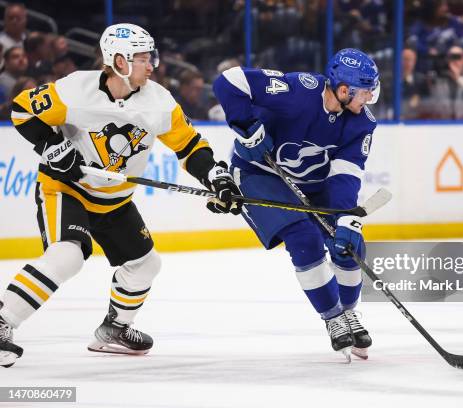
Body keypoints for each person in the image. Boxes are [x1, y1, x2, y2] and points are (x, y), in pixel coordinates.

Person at [0, 23, 241, 368]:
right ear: (119, 61)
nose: (151, 65)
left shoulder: (159, 101)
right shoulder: (75, 90)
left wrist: (216, 177)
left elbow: (189, 145)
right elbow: (23, 110)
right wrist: (53, 146)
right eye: (143, 58)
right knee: (68, 255)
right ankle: (3, 319)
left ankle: (114, 330)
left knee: (145, 264)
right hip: (66, 189)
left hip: (115, 200)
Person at [213, 48, 378, 359]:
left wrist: (343, 217)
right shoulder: (298, 90)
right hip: (259, 173)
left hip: (314, 185)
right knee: (304, 240)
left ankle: (349, 312)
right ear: (344, 90)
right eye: (365, 91)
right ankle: (333, 319)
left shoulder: (361, 124)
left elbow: (346, 173)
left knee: (349, 244)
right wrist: (248, 127)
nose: (370, 98)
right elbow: (229, 82)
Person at [428, 45, 463, 119]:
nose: (454, 61)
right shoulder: (442, 78)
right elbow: (436, 104)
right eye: (451, 57)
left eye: (458, 57)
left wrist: (458, 78)